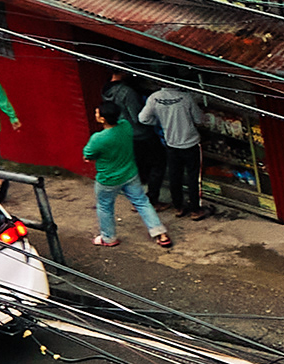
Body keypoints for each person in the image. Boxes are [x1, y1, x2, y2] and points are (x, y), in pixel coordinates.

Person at [84, 107, 169, 247]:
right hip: (130, 173)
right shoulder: (125, 126)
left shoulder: (98, 138)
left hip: (108, 179)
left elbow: (88, 155)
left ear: (102, 119)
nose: (95, 114)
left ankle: (109, 238)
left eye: (97, 113)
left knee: (105, 207)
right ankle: (161, 234)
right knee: (142, 202)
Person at [136, 77, 207, 219]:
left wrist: (158, 122)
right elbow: (199, 119)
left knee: (175, 176)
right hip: (190, 143)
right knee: (194, 177)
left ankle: (178, 207)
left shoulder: (154, 98)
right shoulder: (186, 98)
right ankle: (195, 209)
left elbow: (143, 118)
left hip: (171, 144)